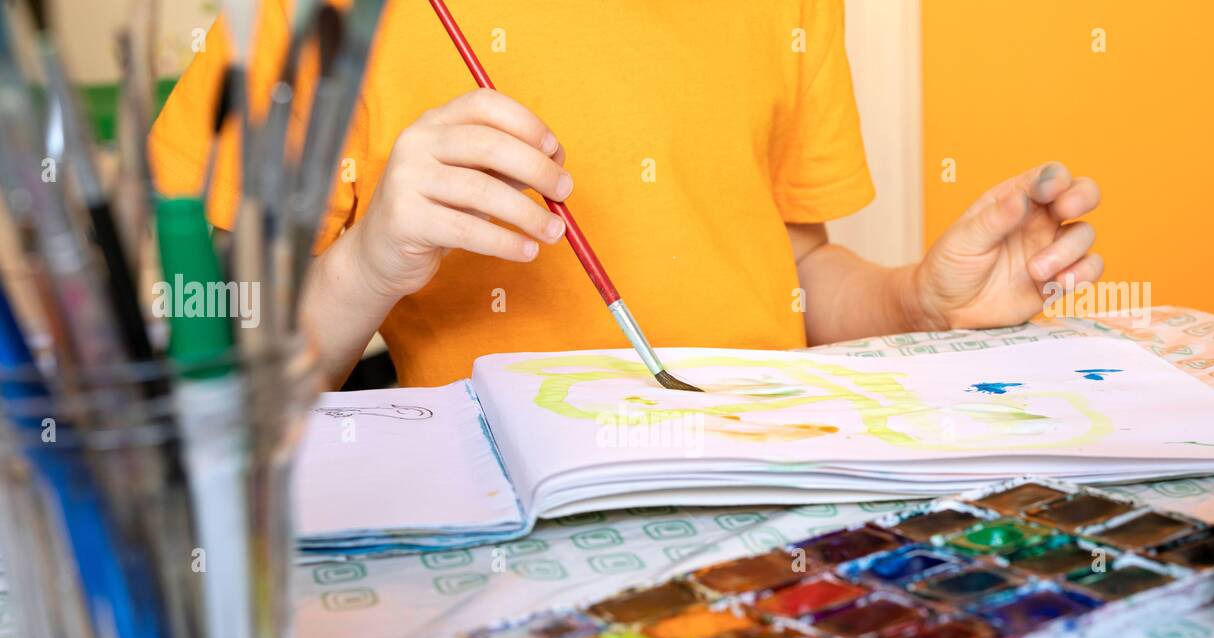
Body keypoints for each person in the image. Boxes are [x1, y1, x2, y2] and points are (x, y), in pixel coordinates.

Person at [150, 1, 1101, 388]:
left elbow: (793, 268)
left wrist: (918, 304)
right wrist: (368, 263)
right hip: (498, 560)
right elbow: (224, 377)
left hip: (760, 504)